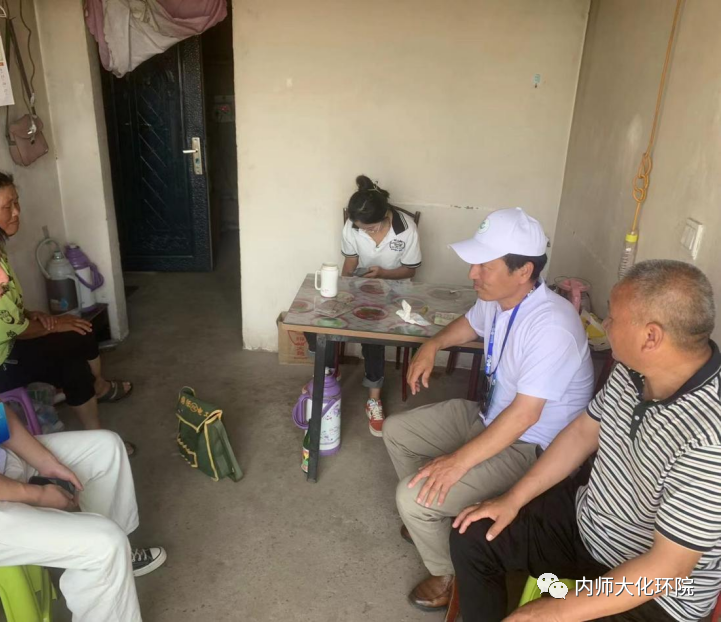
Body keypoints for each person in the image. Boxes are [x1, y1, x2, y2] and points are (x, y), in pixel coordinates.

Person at [0, 207, 165, 622]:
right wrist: (37, 494)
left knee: (106, 449)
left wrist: (47, 463)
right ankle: (105, 554)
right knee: (101, 542)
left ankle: (113, 561)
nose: (3, 277)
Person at [451, 260, 721, 622]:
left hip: (657, 591)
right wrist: (512, 499)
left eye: (613, 318)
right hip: (589, 525)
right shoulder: (633, 370)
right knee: (474, 533)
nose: (605, 324)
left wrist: (552, 611)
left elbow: (668, 569)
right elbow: (582, 433)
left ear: (651, 337)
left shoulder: (709, 438)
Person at [384, 207, 594, 611]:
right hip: (491, 417)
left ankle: (448, 573)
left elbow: (525, 415)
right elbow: (470, 323)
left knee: (410, 499)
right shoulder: (499, 298)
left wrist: (457, 463)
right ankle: (433, 516)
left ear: (523, 270)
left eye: (484, 265)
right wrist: (432, 344)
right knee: (397, 430)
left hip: (531, 446)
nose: (472, 273)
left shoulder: (552, 325)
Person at [0, 169, 137, 456]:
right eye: (8, 205)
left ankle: (98, 429)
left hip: (8, 344)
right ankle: (99, 413)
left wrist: (31, 314)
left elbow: (4, 307)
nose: (17, 212)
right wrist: (55, 325)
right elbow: (3, 327)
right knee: (74, 344)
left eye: (17, 202)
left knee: (78, 338)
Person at [305, 175, 422, 436]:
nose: (365, 232)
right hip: (362, 285)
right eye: (361, 228)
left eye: (370, 228)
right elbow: (350, 262)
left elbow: (410, 270)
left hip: (394, 291)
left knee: (373, 332)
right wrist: (342, 291)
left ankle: (374, 399)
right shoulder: (352, 226)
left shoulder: (407, 229)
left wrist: (383, 274)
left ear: (385, 216)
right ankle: (326, 373)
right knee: (318, 319)